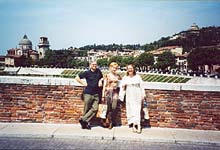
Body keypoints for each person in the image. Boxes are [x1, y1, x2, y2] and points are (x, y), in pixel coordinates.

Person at [75, 61, 103, 130]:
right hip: (88, 93)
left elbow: (102, 77)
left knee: (95, 108)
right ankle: (85, 124)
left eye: (96, 64)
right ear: (90, 65)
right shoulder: (87, 73)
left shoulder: (98, 71)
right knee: (86, 108)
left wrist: (100, 80)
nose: (94, 65)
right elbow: (77, 78)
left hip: (96, 94)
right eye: (93, 64)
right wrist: (83, 83)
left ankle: (83, 120)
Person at [119, 64, 145, 134]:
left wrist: (143, 95)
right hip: (129, 94)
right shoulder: (125, 77)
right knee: (131, 109)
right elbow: (122, 87)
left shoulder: (138, 77)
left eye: (131, 68)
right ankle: (134, 125)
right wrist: (121, 95)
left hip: (137, 93)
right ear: (127, 70)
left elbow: (142, 86)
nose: (130, 70)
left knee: (137, 109)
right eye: (128, 68)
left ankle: (138, 125)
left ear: (133, 69)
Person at [101, 62, 121, 129]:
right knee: (108, 108)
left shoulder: (118, 76)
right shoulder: (107, 75)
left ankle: (111, 120)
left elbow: (123, 81)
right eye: (113, 67)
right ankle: (108, 122)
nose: (114, 69)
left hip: (115, 93)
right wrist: (103, 95)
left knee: (114, 107)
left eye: (116, 68)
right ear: (110, 68)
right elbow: (104, 86)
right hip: (108, 93)